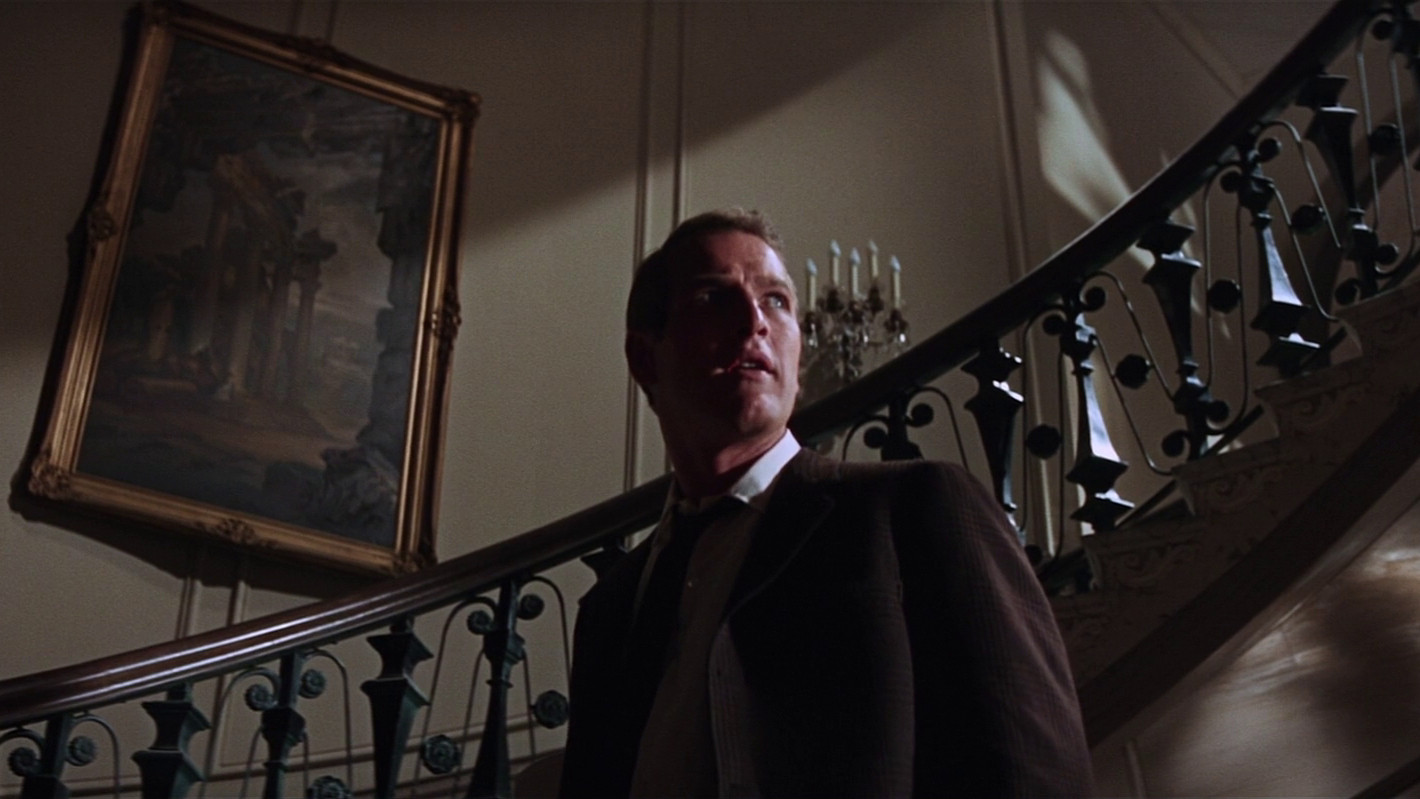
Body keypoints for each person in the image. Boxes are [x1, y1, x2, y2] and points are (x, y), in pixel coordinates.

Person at [559, 209, 1092, 798]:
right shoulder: (611, 611)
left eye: (776, 301)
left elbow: (1035, 779)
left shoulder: (914, 509)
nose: (754, 323)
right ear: (644, 358)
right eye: (713, 298)